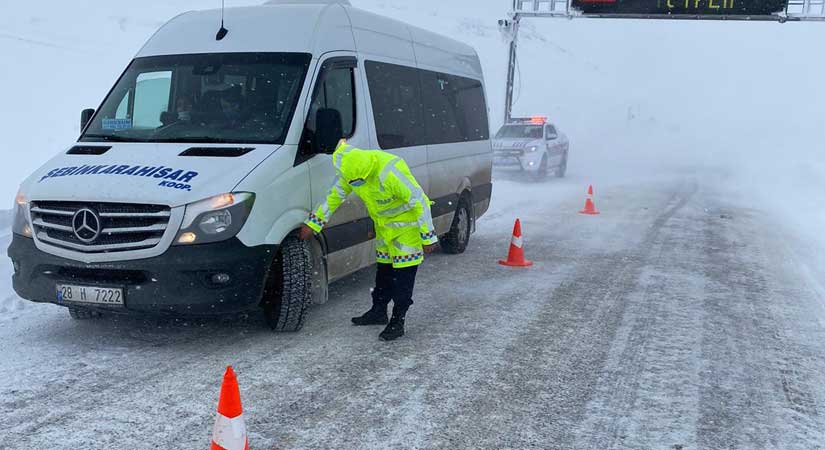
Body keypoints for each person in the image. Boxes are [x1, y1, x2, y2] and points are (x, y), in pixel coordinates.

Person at [299, 139, 438, 341]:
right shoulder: (351, 171)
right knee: (384, 273)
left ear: (367, 171)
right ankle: (378, 311)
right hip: (384, 229)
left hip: (406, 230)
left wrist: (428, 236)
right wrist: (313, 224)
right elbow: (333, 196)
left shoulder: (389, 171)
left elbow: (419, 201)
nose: (356, 185)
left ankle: (398, 321)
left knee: (403, 278)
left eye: (359, 182)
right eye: (353, 183)